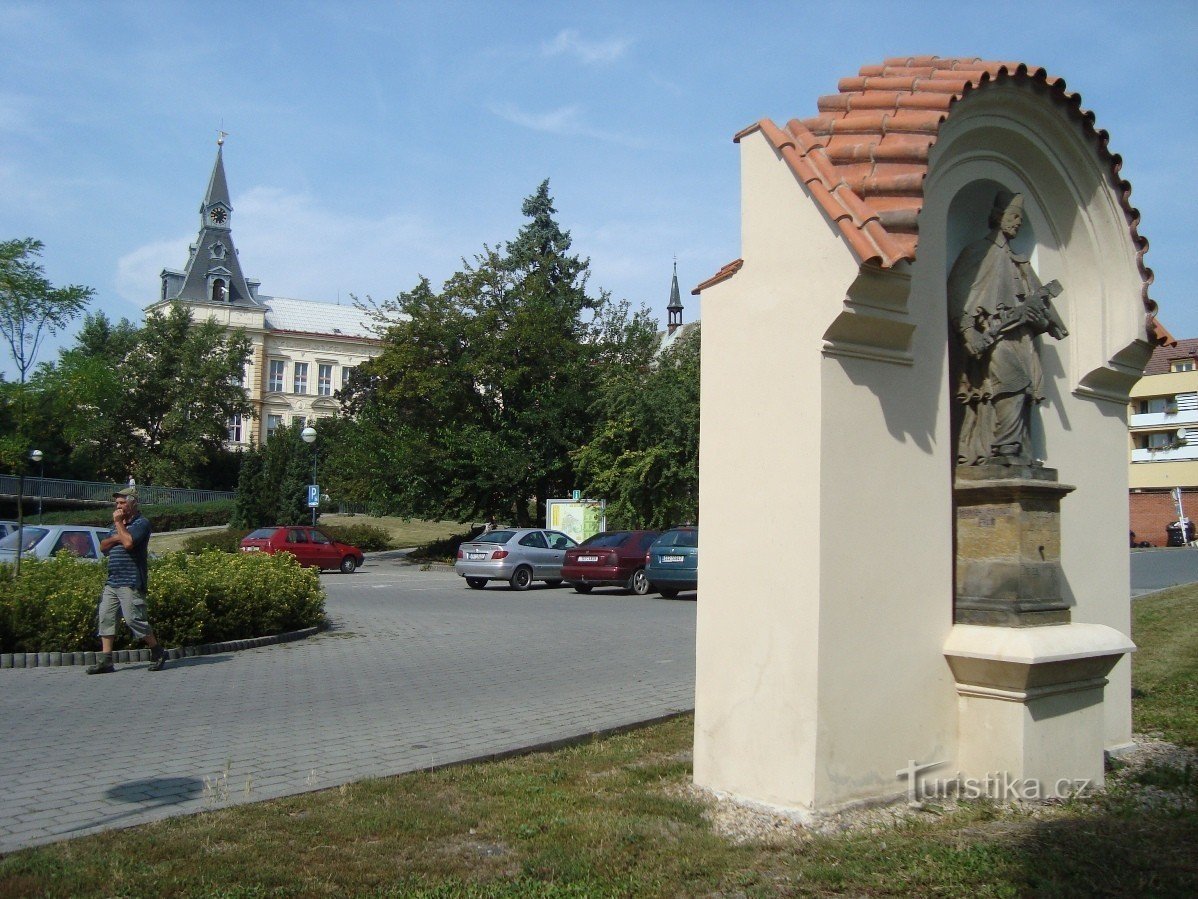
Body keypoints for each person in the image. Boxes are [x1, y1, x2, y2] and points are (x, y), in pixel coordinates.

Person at [949, 190, 1069, 466]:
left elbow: (1043, 315)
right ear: (998, 217)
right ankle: (1003, 449)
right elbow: (957, 295)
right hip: (994, 338)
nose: (1017, 223)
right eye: (1013, 216)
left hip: (1022, 340)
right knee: (1012, 384)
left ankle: (1014, 450)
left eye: (1019, 218)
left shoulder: (1021, 263)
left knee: (1022, 391)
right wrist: (969, 333)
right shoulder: (978, 253)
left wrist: (1036, 315)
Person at [86, 487, 166, 674]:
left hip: (131, 581)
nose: (118, 507)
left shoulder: (141, 523)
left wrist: (118, 526)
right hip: (113, 580)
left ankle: (157, 651)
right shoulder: (115, 526)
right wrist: (117, 535)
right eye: (117, 503)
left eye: (122, 503)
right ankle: (106, 660)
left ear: (133, 503)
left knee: (133, 619)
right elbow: (103, 546)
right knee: (105, 617)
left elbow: (129, 543)